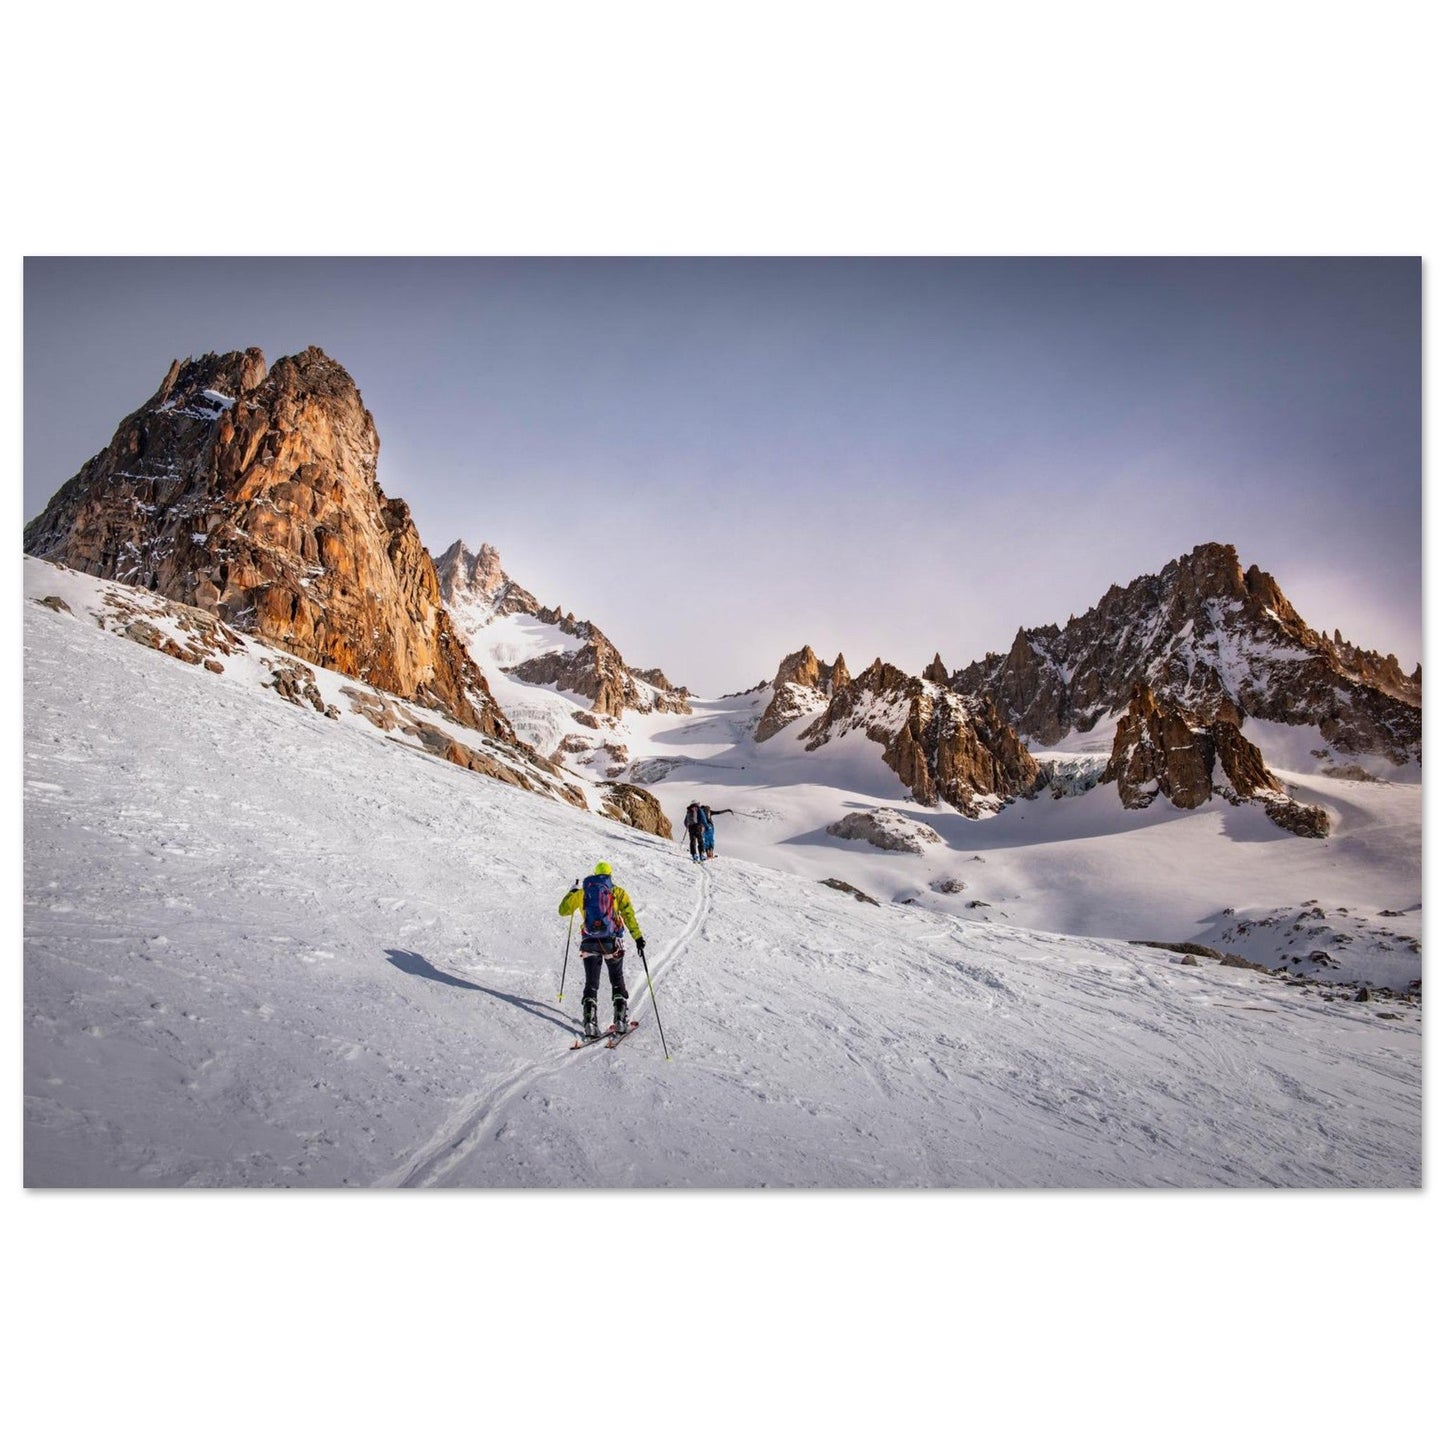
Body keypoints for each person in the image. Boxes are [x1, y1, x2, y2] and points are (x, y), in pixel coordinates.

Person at [558, 861, 646, 1039]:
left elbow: (563, 911)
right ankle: (620, 1020)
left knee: (591, 982)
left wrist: (572, 892)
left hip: (589, 942)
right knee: (616, 978)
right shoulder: (617, 892)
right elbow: (629, 915)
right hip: (611, 943)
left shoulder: (584, 892)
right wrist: (638, 938)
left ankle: (590, 1024)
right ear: (609, 875)